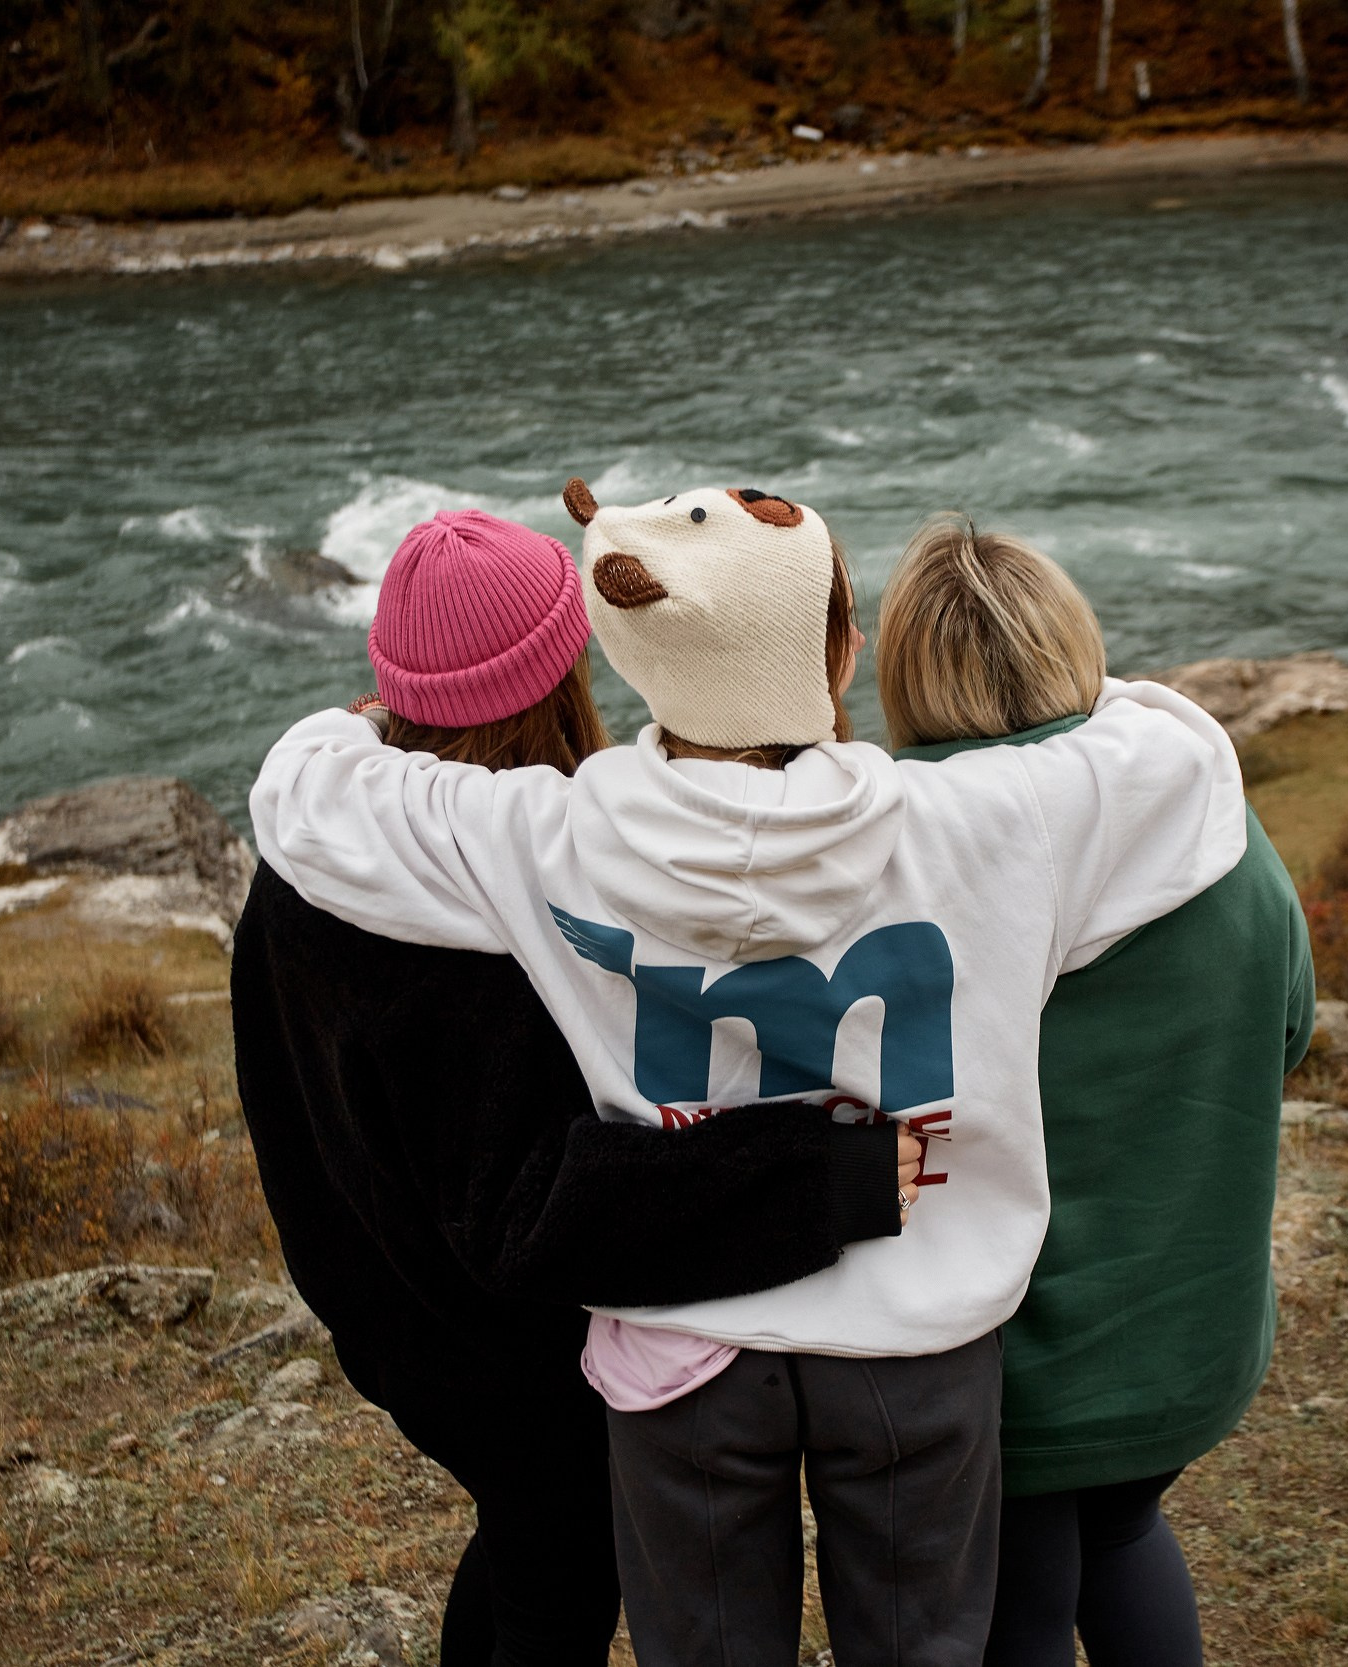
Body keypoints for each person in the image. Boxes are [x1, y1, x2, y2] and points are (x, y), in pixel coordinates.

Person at [250, 480, 1249, 1667]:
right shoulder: (982, 815)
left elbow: (313, 797)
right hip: (916, 1344)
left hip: (682, 1355)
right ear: (843, 647)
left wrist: (352, 722)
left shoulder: (548, 835)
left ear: (625, 647)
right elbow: (1179, 755)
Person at [231, 508, 923, 1667]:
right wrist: (828, 1170)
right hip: (499, 1352)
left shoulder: (313, 844)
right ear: (562, 674)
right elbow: (539, 1206)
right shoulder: (466, 937)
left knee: (523, 1545)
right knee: (558, 1573)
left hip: (378, 1288)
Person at [874, 516, 1313, 1667]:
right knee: (1120, 1529)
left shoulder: (901, 854)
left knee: (1016, 1594)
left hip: (1009, 1354)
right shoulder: (1212, 814)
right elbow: (1290, 1026)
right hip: (1192, 1330)